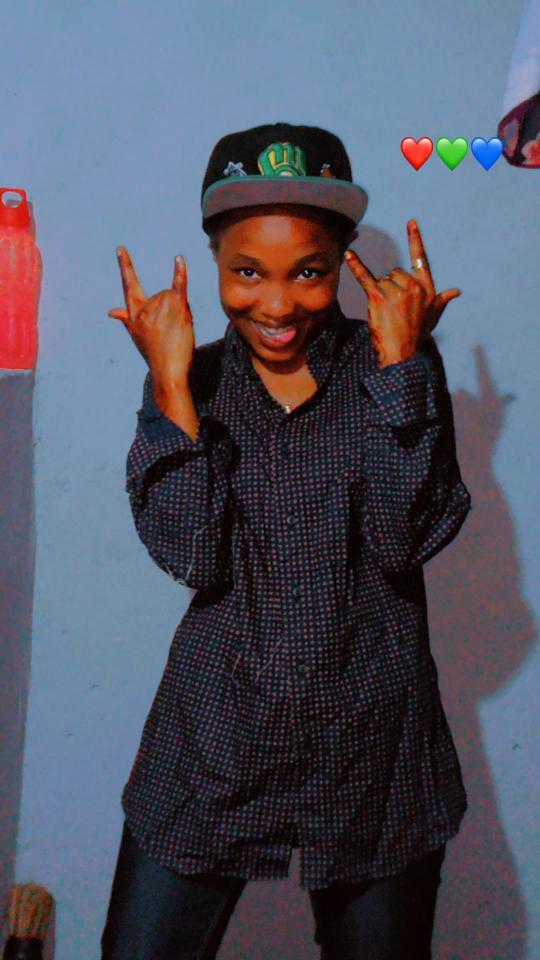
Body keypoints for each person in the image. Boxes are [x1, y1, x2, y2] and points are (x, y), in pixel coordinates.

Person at [101, 122, 472, 960]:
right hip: (215, 739)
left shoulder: (397, 366)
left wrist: (402, 369)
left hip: (376, 747)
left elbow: (402, 541)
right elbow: (193, 555)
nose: (276, 305)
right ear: (214, 261)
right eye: (247, 272)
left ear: (342, 262)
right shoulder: (189, 379)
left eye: (307, 271)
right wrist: (169, 385)